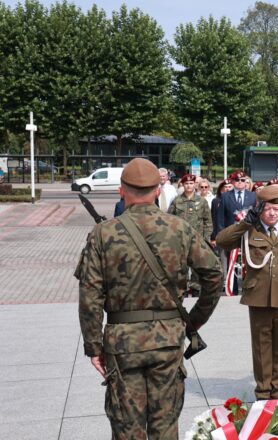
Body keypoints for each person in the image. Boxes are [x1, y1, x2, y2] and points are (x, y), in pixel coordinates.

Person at [76, 158, 222, 439]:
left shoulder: (103, 234)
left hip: (122, 343)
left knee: (127, 428)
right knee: (165, 426)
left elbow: (90, 294)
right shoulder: (179, 228)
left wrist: (94, 346)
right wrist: (195, 320)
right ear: (157, 190)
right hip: (167, 340)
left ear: (122, 190)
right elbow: (213, 275)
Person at [216, 184, 278, 405]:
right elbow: (221, 240)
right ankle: (262, 392)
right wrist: (246, 221)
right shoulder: (251, 228)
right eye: (267, 209)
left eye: (276, 210)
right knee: (261, 347)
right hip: (258, 297)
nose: (272, 214)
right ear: (260, 208)